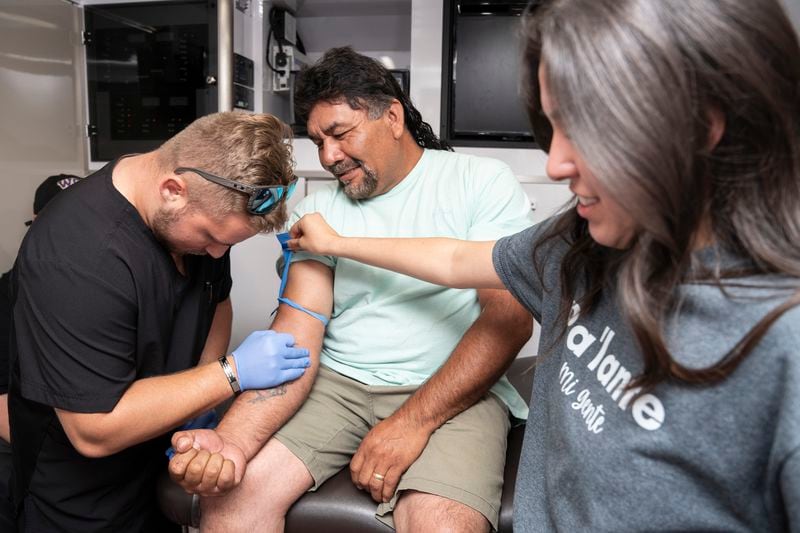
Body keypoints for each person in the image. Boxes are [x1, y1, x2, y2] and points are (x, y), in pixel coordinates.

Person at [288, 0, 800, 530]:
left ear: (702, 126)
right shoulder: (574, 243)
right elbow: (455, 258)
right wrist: (340, 243)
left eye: (585, 128)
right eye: (553, 126)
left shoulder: (784, 344)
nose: (555, 165)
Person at [169, 47, 534, 532]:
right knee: (232, 505)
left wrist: (411, 423)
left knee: (440, 524)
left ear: (393, 117)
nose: (328, 156)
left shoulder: (481, 182)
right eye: (318, 141)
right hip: (336, 386)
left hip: (450, 389)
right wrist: (229, 441)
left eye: (340, 134)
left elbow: (509, 318)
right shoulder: (315, 215)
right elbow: (299, 334)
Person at [8, 111, 311, 532]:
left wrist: (197, 402)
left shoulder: (196, 218)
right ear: (173, 190)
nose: (218, 254)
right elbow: (94, 429)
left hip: (156, 468)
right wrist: (228, 375)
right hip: (80, 499)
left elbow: (216, 302)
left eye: (228, 243)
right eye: (211, 238)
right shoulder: (77, 257)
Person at [0, 173, 81, 530]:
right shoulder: (8, 293)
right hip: (31, 449)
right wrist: (60, 462)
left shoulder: (108, 286)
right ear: (35, 224)